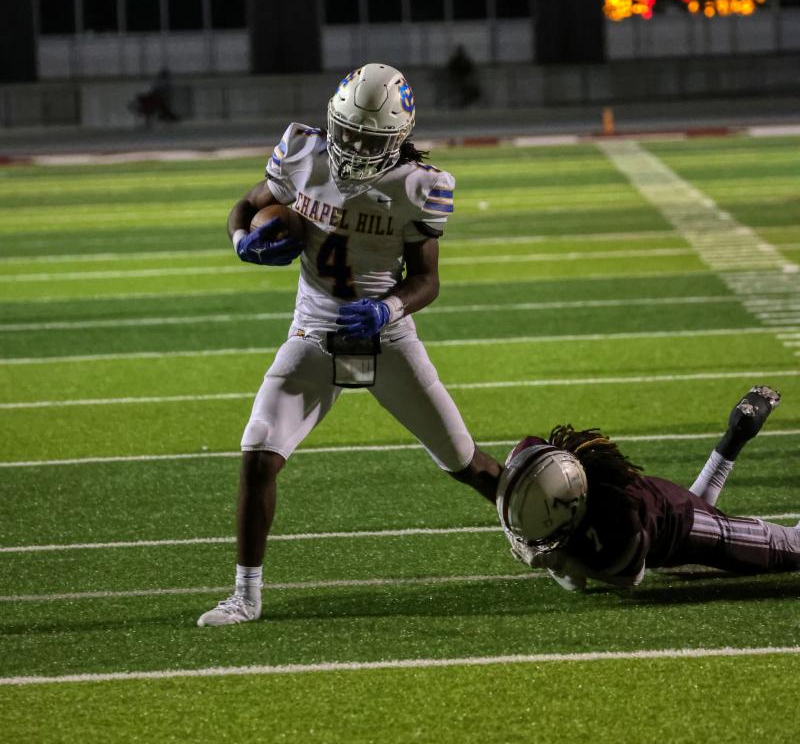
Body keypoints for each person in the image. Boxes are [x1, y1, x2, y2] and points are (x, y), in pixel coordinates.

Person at [198, 62, 502, 626]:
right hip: (314, 333)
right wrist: (242, 240)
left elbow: (427, 280)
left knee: (467, 463)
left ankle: (549, 540)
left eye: (371, 139)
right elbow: (245, 206)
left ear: (399, 138)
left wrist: (387, 308)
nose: (356, 148)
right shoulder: (303, 152)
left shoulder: (420, 185)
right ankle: (245, 595)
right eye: (349, 132)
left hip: (386, 339)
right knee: (258, 452)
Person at [496, 385, 797, 591]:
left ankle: (737, 434)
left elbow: (629, 577)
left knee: (792, 549)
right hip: (665, 506)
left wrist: (557, 560)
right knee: (698, 513)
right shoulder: (545, 466)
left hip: (680, 521)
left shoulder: (617, 519)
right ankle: (737, 433)